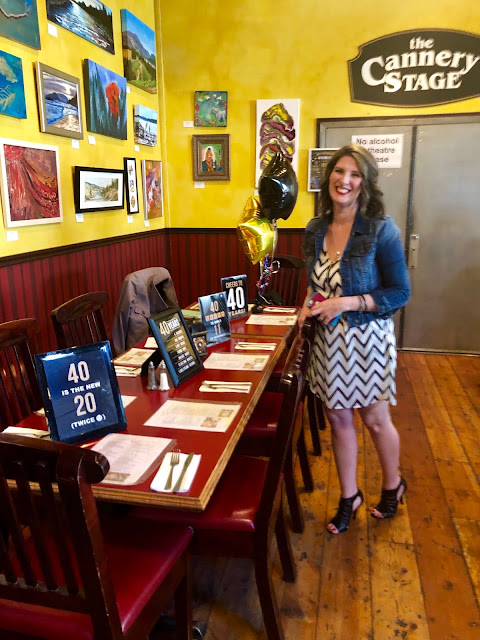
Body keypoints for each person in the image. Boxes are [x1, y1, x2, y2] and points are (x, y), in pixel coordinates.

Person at [299, 144, 410, 534]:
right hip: (328, 343)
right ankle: (350, 496)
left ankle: (393, 485)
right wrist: (308, 305)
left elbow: (400, 292)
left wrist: (345, 303)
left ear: (366, 183)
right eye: (339, 171)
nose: (344, 180)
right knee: (337, 418)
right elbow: (316, 285)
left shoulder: (381, 228)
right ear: (328, 175)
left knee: (375, 420)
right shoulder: (315, 228)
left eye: (355, 174)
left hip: (368, 340)